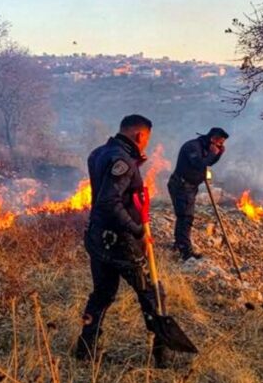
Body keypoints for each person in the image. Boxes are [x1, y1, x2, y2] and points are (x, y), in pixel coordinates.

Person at [75, 114, 172, 367]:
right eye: (146, 140)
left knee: (102, 294)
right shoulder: (123, 161)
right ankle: (162, 356)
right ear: (139, 135)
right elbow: (109, 202)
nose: (146, 145)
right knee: (152, 294)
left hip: (97, 237)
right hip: (121, 242)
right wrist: (137, 230)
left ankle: (85, 349)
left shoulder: (98, 153)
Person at [168, 127, 229, 262]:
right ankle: (185, 251)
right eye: (220, 143)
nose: (221, 145)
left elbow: (209, 162)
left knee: (184, 216)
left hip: (190, 187)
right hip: (181, 185)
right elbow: (199, 164)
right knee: (185, 217)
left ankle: (179, 244)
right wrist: (213, 154)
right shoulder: (192, 147)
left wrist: (218, 154)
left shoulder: (207, 147)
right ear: (213, 138)